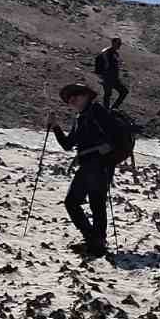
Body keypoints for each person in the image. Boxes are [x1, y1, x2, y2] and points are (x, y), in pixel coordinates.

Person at [48, 82, 126, 258]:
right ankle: (95, 241)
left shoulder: (97, 112)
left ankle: (95, 242)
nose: (72, 100)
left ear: (87, 96)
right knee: (92, 203)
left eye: (76, 95)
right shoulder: (81, 118)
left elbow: (117, 135)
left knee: (80, 202)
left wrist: (107, 150)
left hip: (99, 164)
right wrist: (55, 127)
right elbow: (68, 145)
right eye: (69, 99)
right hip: (91, 165)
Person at [94, 37, 129, 110]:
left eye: (120, 44)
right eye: (118, 44)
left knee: (124, 92)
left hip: (114, 78)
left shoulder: (115, 53)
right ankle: (106, 111)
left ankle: (113, 108)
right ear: (113, 43)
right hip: (107, 77)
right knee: (108, 94)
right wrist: (101, 75)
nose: (119, 45)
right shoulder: (106, 52)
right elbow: (98, 62)